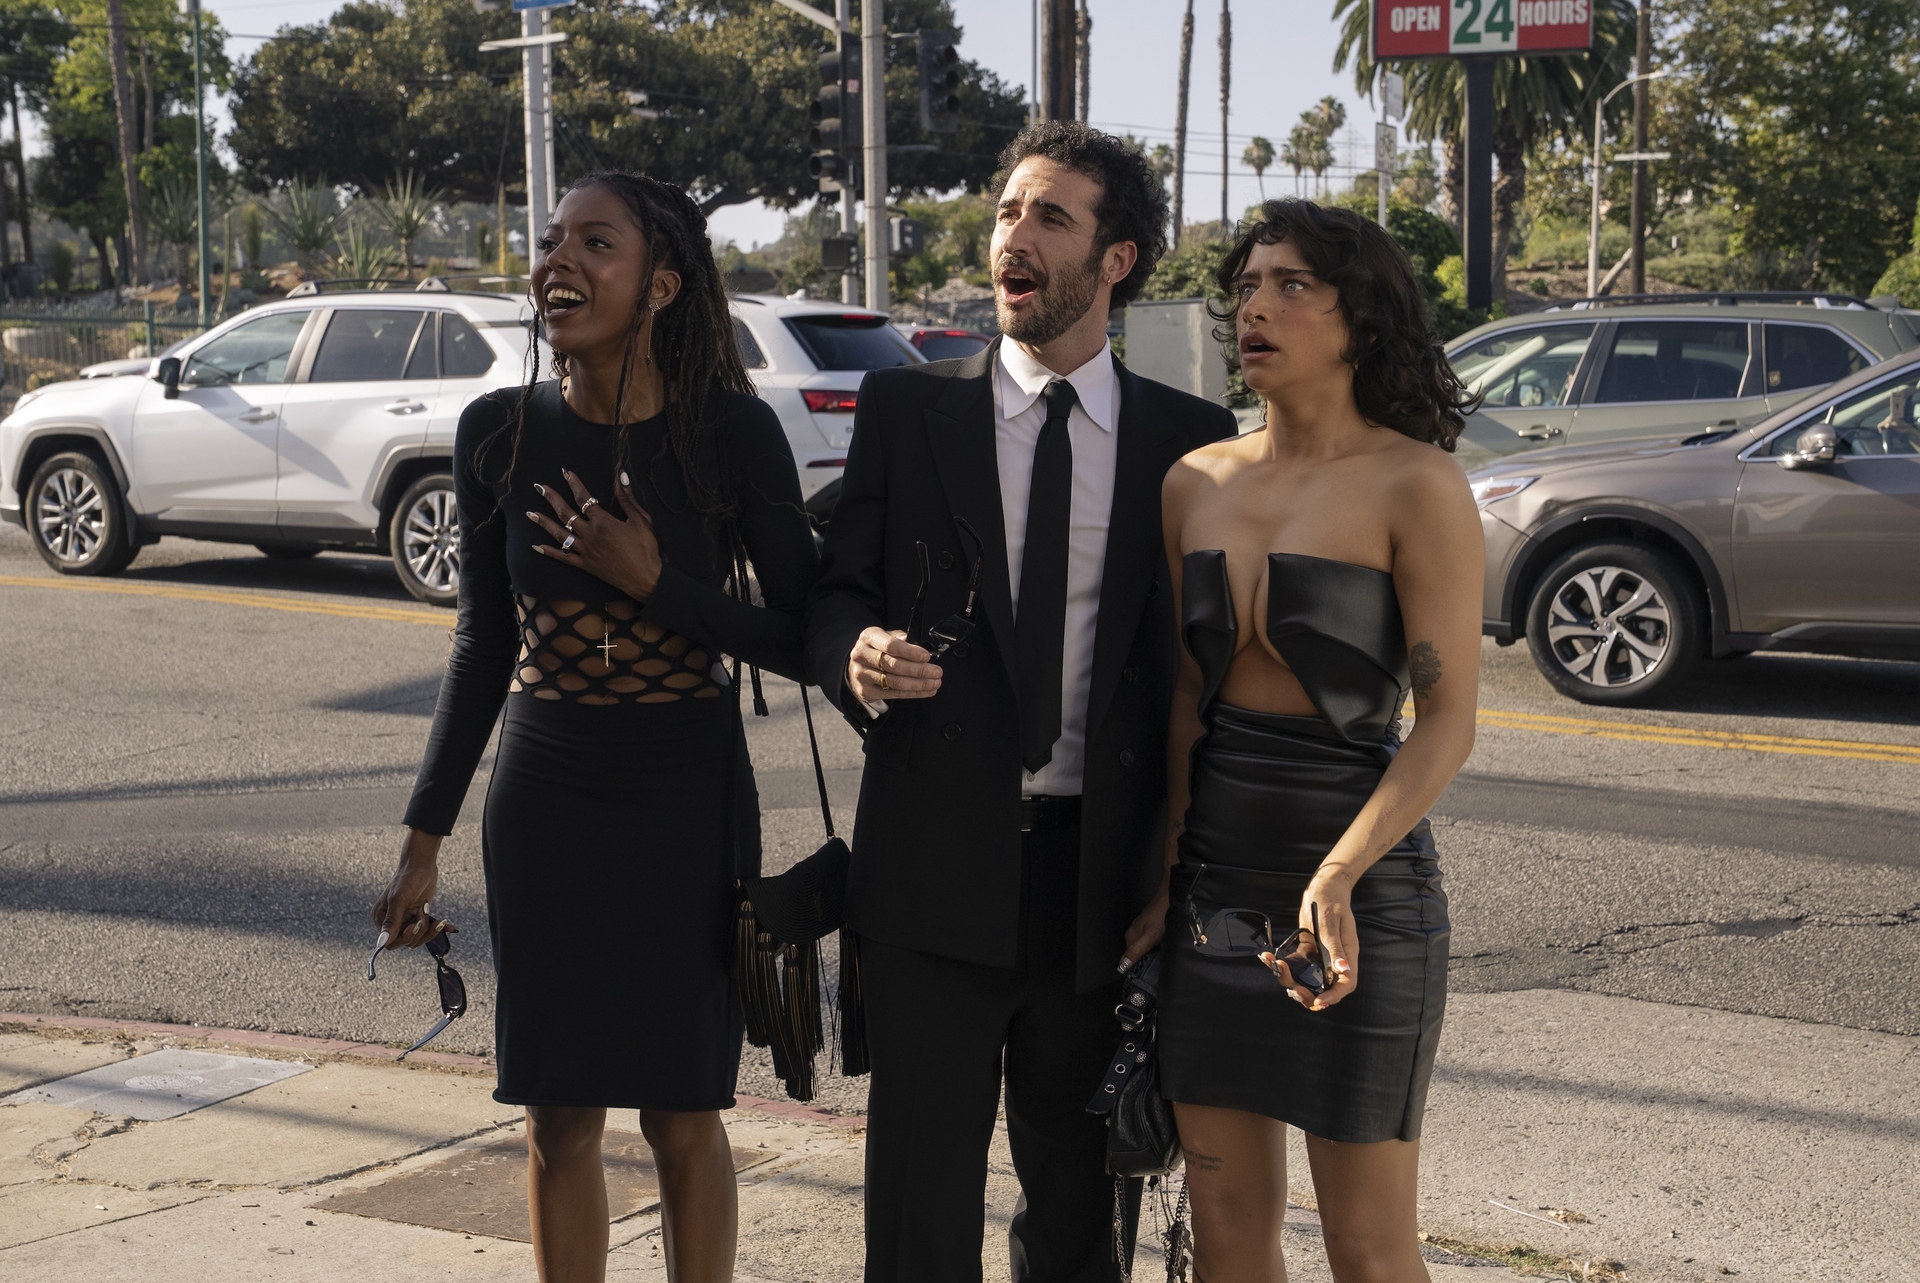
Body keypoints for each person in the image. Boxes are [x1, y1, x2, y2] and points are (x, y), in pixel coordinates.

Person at [806, 121, 1237, 1283]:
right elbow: (835, 587)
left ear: (1117, 259)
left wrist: (1173, 875)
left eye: (1051, 216)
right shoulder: (908, 412)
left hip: (1096, 888)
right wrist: (854, 651)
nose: (1015, 235)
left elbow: (1206, 676)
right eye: (1007, 212)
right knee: (916, 1209)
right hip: (931, 868)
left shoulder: (1190, 445)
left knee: (1079, 1217)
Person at [371, 172, 817, 1283]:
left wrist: (661, 583)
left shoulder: (734, 435)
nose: (557, 260)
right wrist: (423, 836)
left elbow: (806, 635)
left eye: (596, 242)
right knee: (557, 1111)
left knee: (682, 1107)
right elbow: (481, 646)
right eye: (551, 239)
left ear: (663, 282)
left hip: (686, 793)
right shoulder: (498, 431)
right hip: (547, 795)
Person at [1131, 198, 1483, 1282]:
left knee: (1369, 1247)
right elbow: (1185, 702)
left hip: (1362, 897)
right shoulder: (1194, 481)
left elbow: (1450, 721)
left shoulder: (1415, 481)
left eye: (1293, 285)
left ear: (1360, 319)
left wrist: (1336, 874)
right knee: (1227, 1231)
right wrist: (1162, 876)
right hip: (1212, 892)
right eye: (1245, 285)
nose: (1256, 307)